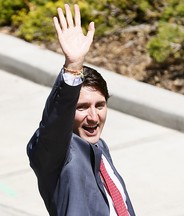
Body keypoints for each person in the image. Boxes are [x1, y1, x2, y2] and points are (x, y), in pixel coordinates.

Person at [26, 4, 135, 216]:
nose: (93, 117)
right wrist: (73, 66)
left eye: (100, 105)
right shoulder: (55, 153)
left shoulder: (98, 146)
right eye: (82, 107)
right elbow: (54, 123)